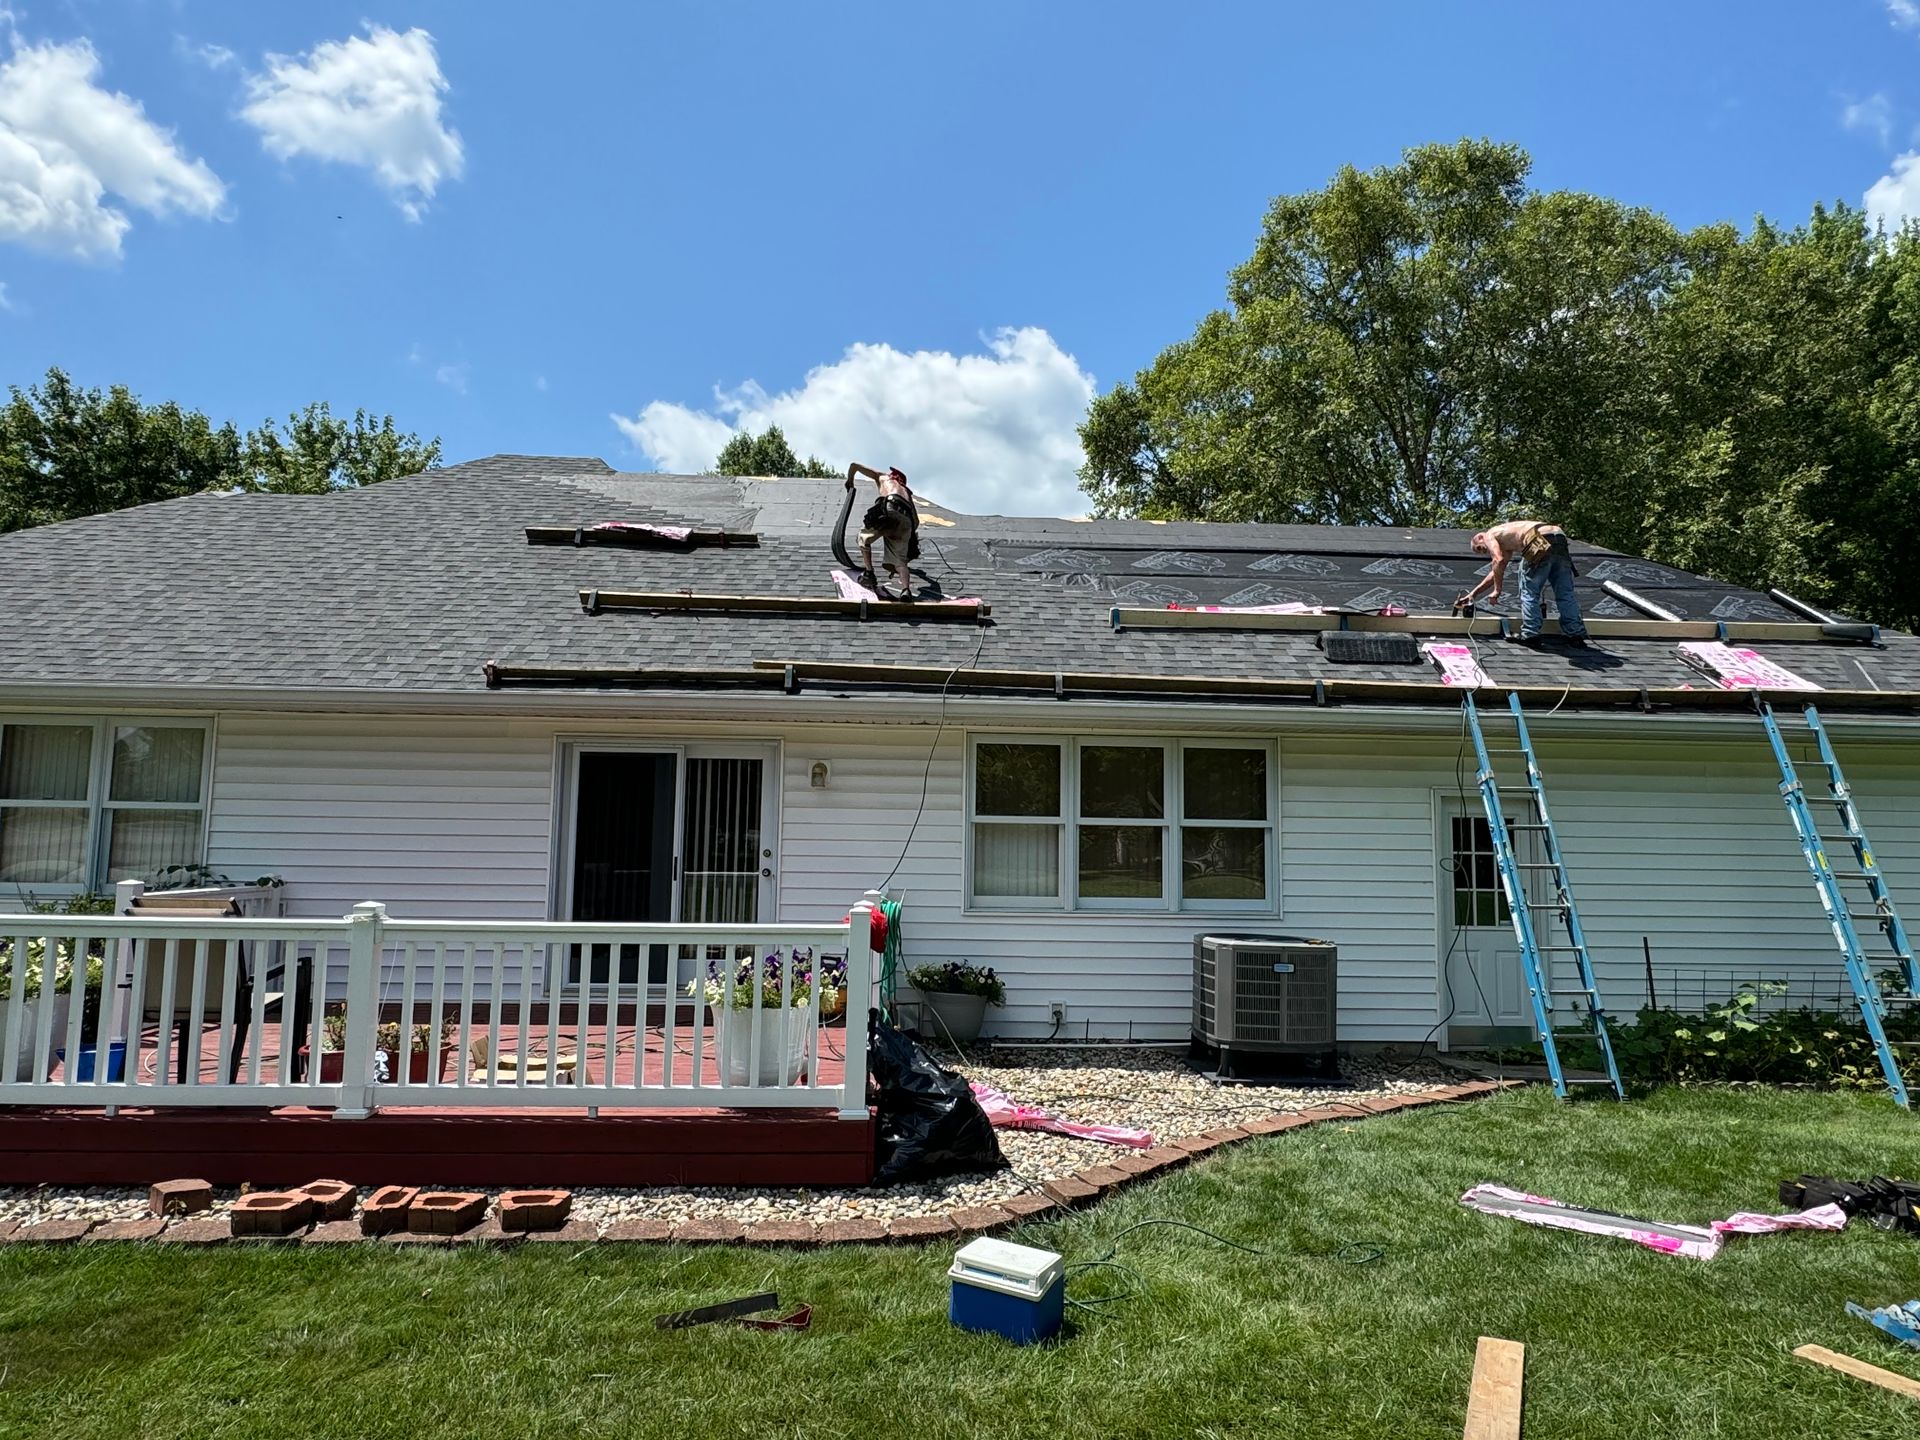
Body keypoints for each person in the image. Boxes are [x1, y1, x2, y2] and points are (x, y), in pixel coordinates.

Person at [1456, 520, 1589, 647]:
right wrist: (1473, 594)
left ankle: (1530, 634)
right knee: (1565, 592)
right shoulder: (1506, 541)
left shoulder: (1489, 535)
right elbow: (1497, 570)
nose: (1485, 552)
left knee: (1529, 590)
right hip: (1559, 537)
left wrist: (1497, 590)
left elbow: (1498, 560)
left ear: (1480, 537)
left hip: (1538, 538)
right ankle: (1575, 635)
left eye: (1481, 549)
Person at [846, 462, 920, 599]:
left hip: (889, 509)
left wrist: (850, 481)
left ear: (892, 475)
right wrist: (903, 542)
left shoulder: (883, 477)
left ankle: (869, 574)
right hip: (906, 521)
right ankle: (905, 590)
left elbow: (854, 465)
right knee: (900, 561)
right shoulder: (907, 492)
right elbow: (916, 522)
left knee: (864, 538)